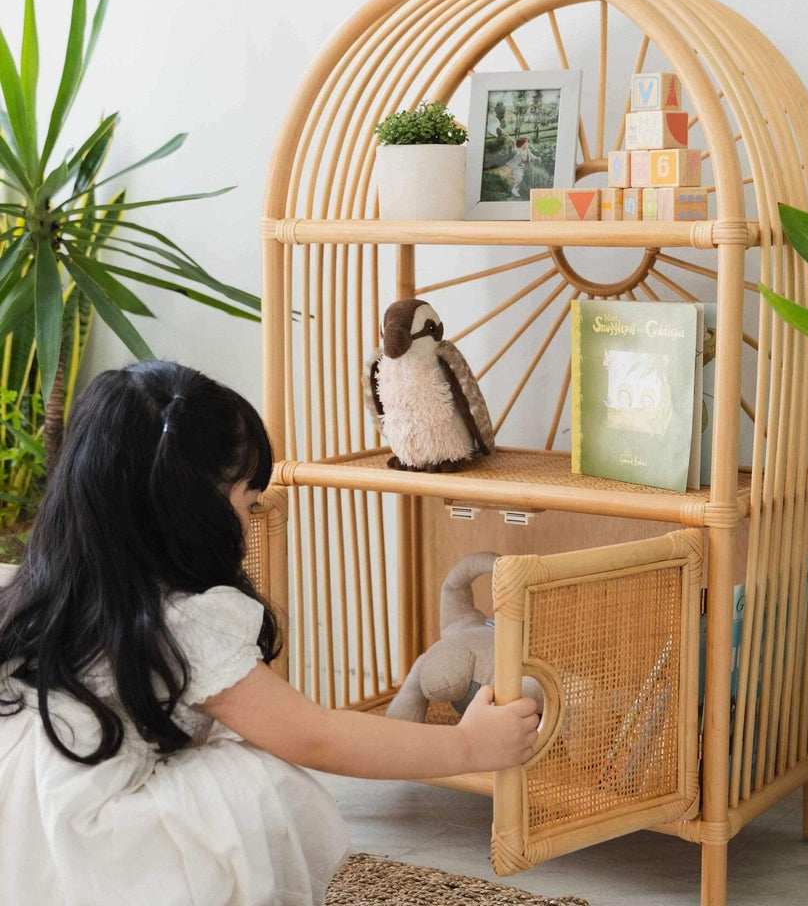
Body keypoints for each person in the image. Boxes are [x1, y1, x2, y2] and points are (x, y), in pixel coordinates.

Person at [0, 361, 539, 905]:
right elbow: (316, 735)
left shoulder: (43, 587)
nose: (252, 518)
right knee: (253, 777)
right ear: (193, 508)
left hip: (27, 829)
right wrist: (471, 745)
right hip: (101, 846)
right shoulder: (186, 621)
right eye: (247, 501)